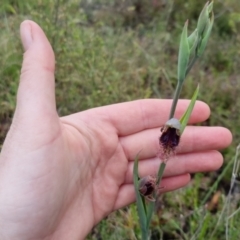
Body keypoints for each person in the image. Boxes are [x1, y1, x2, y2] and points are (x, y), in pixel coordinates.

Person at [0, 20, 232, 240]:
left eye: (172, 133)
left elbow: (170, 140)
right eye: (168, 131)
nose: (170, 135)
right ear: (163, 130)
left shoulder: (169, 141)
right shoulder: (165, 140)